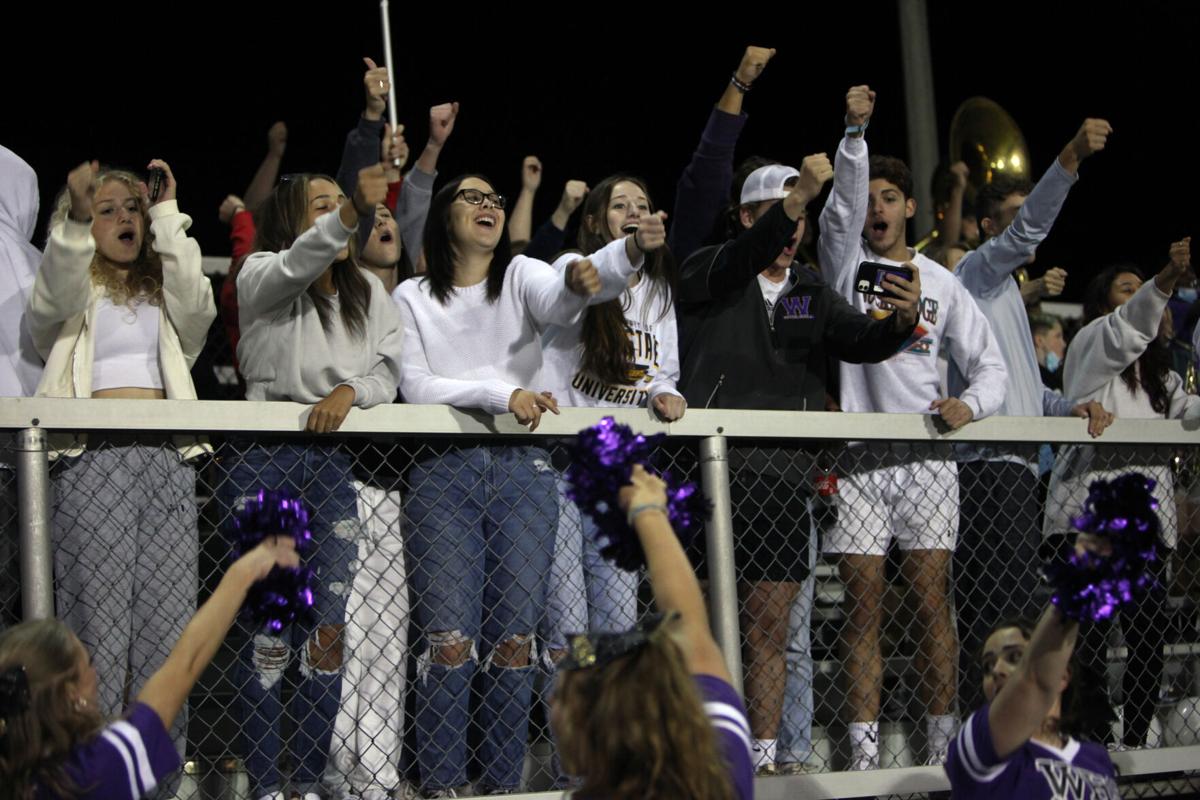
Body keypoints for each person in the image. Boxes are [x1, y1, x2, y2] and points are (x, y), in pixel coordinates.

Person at [395, 173, 642, 796]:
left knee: (513, 645)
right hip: (442, 473)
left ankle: (502, 787)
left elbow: (562, 297)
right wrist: (501, 393)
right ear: (444, 215)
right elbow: (418, 386)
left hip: (524, 473)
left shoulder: (520, 275)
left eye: (495, 199)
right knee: (450, 644)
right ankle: (444, 785)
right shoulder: (411, 297)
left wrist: (617, 261)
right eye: (472, 197)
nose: (489, 206)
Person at [678, 145, 921, 773]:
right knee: (702, 625)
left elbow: (861, 340)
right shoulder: (710, 268)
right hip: (714, 469)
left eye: (800, 219)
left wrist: (901, 321)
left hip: (783, 476)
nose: (793, 231)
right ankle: (697, 754)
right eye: (780, 216)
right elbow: (745, 256)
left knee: (770, 627)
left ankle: (760, 758)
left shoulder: (809, 290)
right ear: (746, 217)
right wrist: (792, 205)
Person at [816, 85, 1008, 768]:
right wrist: (855, 136)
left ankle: (937, 748)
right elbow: (838, 209)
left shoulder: (942, 283)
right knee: (862, 614)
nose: (876, 210)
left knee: (933, 609)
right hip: (862, 460)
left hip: (928, 458)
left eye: (889, 199)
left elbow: (993, 371)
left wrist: (969, 406)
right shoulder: (841, 269)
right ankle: (864, 758)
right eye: (870, 199)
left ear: (910, 209)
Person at [27, 159, 216, 771]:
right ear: (84, 220)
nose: (121, 218)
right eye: (105, 209)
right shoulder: (73, 286)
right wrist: (78, 218)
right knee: (97, 639)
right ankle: (89, 777)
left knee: (168, 637)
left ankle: (157, 781)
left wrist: (166, 211)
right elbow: (49, 297)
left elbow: (200, 309)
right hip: (93, 462)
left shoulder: (162, 289)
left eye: (129, 208)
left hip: (166, 463)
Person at [221, 165, 402, 800]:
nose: (340, 213)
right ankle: (269, 786)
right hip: (264, 460)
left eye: (341, 202)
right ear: (292, 221)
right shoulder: (262, 274)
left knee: (328, 634)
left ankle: (305, 783)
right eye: (321, 205)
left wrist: (354, 390)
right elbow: (302, 260)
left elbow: (389, 370)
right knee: (272, 637)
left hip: (330, 465)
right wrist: (351, 209)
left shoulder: (371, 295)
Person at [951, 120, 1115, 714]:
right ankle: (988, 741)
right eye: (1012, 217)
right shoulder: (972, 274)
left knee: (1012, 615)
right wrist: (1068, 157)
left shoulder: (1005, 296)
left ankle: (1010, 738)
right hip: (987, 470)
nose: (1025, 227)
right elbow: (1030, 230)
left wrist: (1067, 406)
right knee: (998, 621)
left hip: (1015, 471)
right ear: (988, 228)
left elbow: (1029, 394)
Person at [0, 538, 300, 800]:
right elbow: (185, 662)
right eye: (87, 665)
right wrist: (244, 573)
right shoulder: (96, 772)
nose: (94, 674)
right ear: (70, 694)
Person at [1044, 239, 1198, 749]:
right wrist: (1164, 280)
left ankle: (1133, 742)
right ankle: (1091, 739)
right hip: (1088, 519)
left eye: (1143, 291)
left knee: (1147, 638)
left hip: (1145, 527)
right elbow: (1127, 328)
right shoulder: (1091, 343)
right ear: (1105, 303)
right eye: (1125, 290)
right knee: (1083, 641)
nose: (1140, 300)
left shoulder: (1162, 375)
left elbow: (1190, 413)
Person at [551, 464, 753, 800]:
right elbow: (689, 626)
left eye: (561, 697)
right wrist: (649, 513)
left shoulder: (724, 756)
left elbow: (688, 627)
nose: (552, 700)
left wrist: (648, 512)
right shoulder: (719, 770)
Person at [946, 589, 1119, 797]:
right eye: (987, 666)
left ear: (1062, 676)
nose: (997, 670)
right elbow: (1034, 681)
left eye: (1015, 657)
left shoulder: (1095, 757)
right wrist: (1077, 581)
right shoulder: (979, 744)